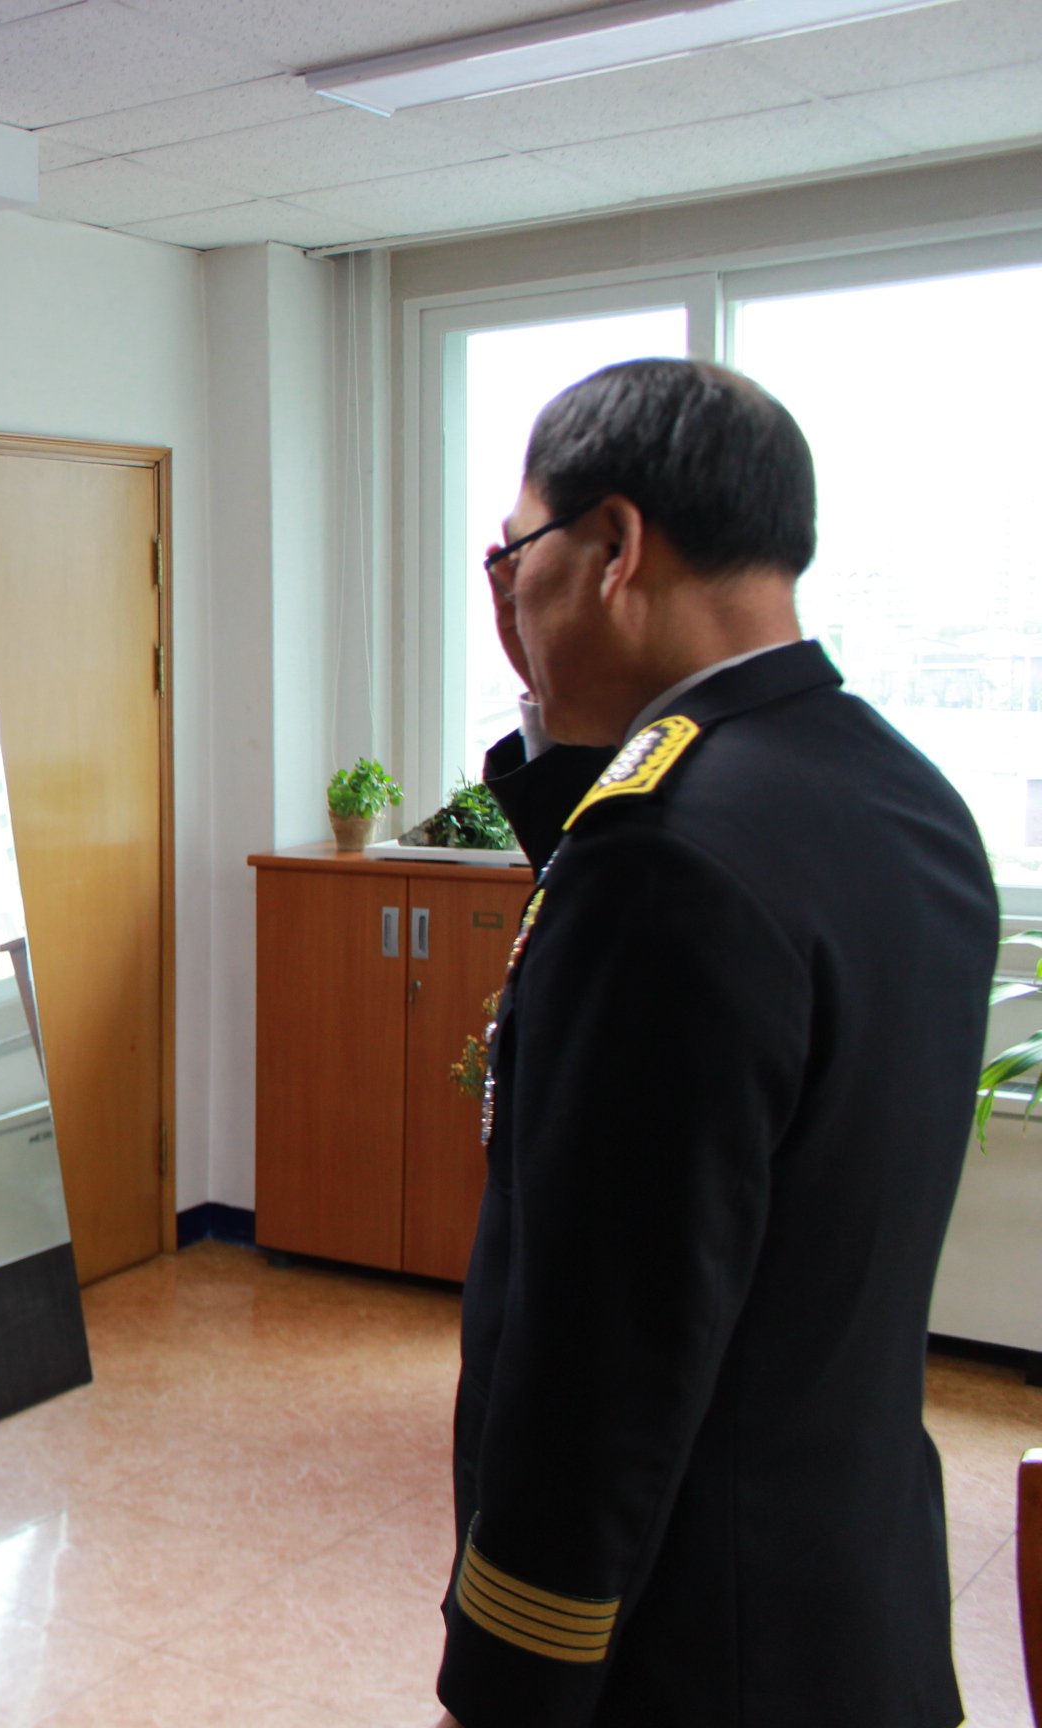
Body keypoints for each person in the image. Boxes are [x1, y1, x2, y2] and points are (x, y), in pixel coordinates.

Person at [434, 360, 994, 1728]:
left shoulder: (662, 861)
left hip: (686, 1645)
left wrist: (511, 1680)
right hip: (851, 1603)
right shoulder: (897, 793)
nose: (507, 593)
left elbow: (604, 1349)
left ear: (615, 546)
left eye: (517, 552)